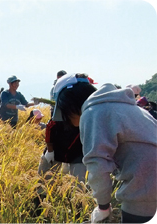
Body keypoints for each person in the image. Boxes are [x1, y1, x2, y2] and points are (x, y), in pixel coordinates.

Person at [54, 73, 157, 223]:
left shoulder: (92, 112)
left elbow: (97, 163)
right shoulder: (131, 108)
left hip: (144, 191)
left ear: (69, 104)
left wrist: (103, 206)